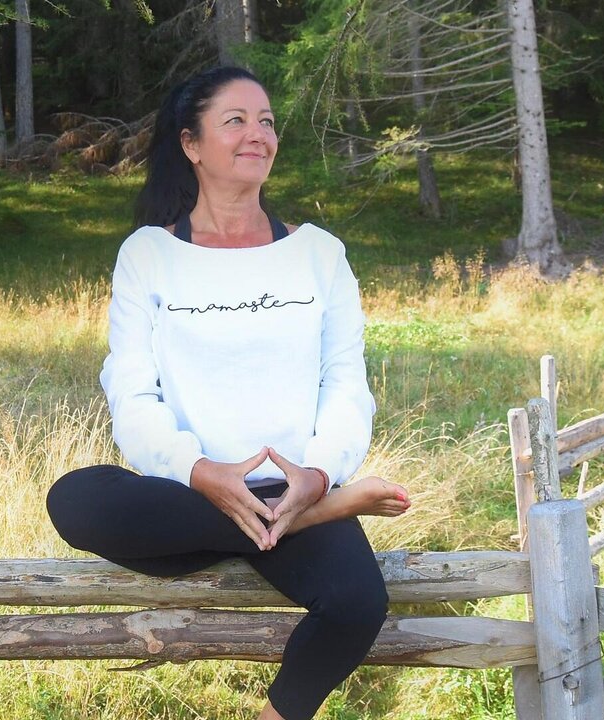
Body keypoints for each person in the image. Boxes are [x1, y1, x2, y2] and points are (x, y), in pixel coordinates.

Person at [46, 66, 411, 720]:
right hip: (187, 496)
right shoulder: (149, 256)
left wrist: (317, 474)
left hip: (296, 484)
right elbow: (132, 393)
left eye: (266, 121)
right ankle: (313, 515)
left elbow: (345, 383)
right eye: (235, 121)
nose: (257, 134)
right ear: (191, 144)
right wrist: (199, 471)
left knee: (358, 602)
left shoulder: (320, 255)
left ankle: (297, 514)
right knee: (73, 500)